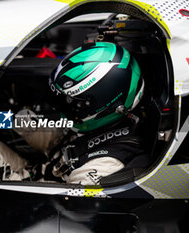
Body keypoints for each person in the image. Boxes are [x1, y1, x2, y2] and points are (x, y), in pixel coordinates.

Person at [44, 41, 149, 185]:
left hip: (46, 182)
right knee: (16, 118)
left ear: (108, 104)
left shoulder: (102, 167)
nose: (62, 111)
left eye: (73, 105)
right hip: (58, 154)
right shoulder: (104, 124)